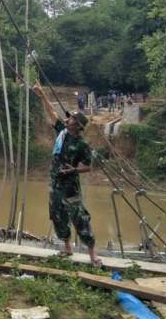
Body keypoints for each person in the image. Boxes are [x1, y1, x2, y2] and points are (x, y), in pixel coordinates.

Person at [32, 81, 101, 265]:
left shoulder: (82, 145)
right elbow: (52, 113)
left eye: (71, 119)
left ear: (77, 125)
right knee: (57, 215)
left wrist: (74, 169)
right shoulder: (62, 132)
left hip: (71, 187)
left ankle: (92, 254)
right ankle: (67, 248)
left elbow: (88, 167)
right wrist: (42, 94)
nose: (67, 119)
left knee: (79, 217)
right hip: (56, 183)